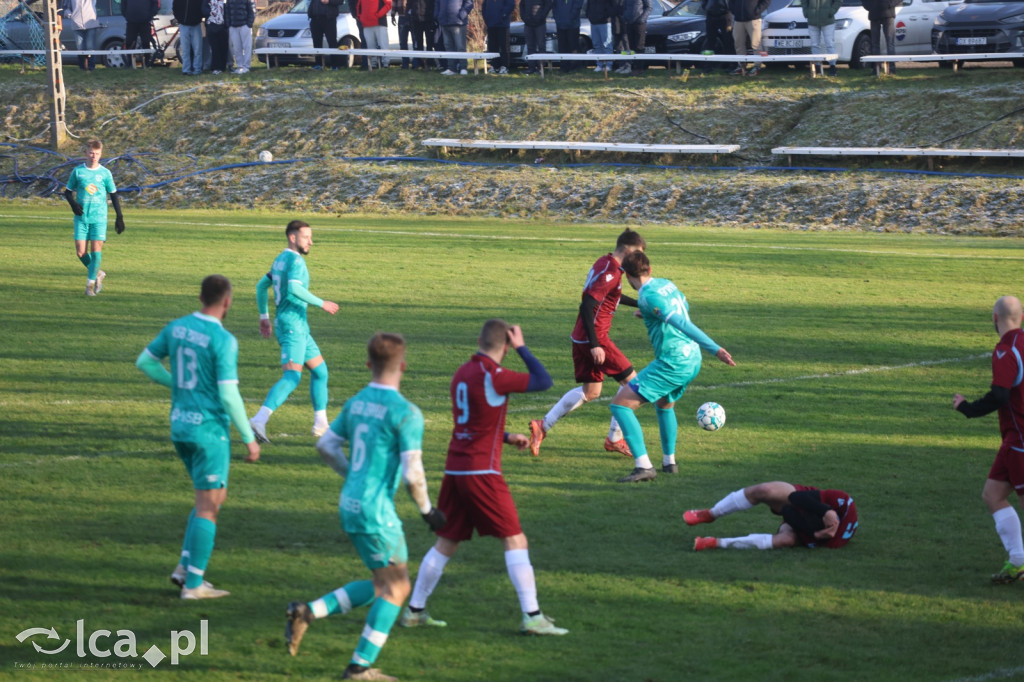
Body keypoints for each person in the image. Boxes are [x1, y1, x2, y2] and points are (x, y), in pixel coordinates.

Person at [284, 333, 446, 681]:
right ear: (403, 366)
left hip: (349, 502)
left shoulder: (356, 402)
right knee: (398, 588)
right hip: (376, 511)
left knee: (380, 583)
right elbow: (413, 475)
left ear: (368, 365)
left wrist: (352, 473)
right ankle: (359, 667)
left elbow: (326, 445)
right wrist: (428, 512)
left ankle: (306, 612)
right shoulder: (406, 413)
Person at [401, 320, 568, 636]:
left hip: (455, 470)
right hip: (482, 473)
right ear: (505, 346)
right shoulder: (495, 376)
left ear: (478, 339)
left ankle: (414, 611)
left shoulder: (461, 373)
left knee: (447, 541)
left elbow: (469, 422)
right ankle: (532, 617)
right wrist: (522, 347)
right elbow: (544, 380)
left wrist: (505, 437)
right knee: (515, 539)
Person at [135, 275, 260, 599]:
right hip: (209, 432)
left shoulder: (176, 327)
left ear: (201, 297)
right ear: (228, 301)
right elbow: (229, 395)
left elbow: (145, 362)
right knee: (208, 505)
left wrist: (176, 384)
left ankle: (184, 568)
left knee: (211, 499)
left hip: (180, 426)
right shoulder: (223, 339)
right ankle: (193, 586)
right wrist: (249, 437)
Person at [610, 251, 735, 483]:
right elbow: (682, 306)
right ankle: (669, 463)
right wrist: (648, 315)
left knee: (621, 406)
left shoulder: (648, 296)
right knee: (665, 405)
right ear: (650, 269)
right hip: (692, 359)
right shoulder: (666, 284)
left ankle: (644, 466)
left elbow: (680, 322)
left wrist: (715, 349)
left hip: (673, 362)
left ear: (627, 276)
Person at [528, 228, 646, 459]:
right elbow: (587, 305)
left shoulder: (606, 263)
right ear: (629, 250)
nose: (639, 260)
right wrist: (595, 344)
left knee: (591, 391)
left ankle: (542, 426)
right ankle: (614, 438)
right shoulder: (611, 272)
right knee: (634, 385)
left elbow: (611, 295)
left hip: (580, 336)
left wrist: (639, 304)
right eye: (638, 254)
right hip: (595, 338)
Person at [249, 220, 340, 449]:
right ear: (292, 237)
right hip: (292, 326)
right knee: (292, 377)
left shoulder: (280, 259)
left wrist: (264, 316)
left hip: (296, 325)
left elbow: (261, 286)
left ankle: (321, 425)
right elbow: (294, 289)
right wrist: (322, 303)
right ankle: (258, 420)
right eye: (306, 236)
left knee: (320, 372)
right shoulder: (296, 261)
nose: (311, 241)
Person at [953, 295, 1024, 583]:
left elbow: (1000, 395)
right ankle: (1018, 561)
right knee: (992, 495)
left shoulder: (1005, 351)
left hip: (1020, 440)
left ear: (994, 318)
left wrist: (967, 408)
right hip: (1011, 440)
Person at [684, 481, 858, 550]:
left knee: (786, 540)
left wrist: (814, 535)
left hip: (806, 528)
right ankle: (710, 513)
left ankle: (715, 543)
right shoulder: (842, 501)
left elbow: (809, 536)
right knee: (763, 490)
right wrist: (826, 511)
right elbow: (795, 497)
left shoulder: (832, 541)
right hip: (807, 500)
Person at [64, 139, 125, 297]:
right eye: (91, 153)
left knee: (96, 250)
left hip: (99, 218)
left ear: (101, 154)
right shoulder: (78, 172)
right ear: (86, 152)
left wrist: (119, 217)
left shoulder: (105, 173)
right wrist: (73, 204)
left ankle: (89, 286)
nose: (94, 156)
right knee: (80, 252)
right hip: (82, 218)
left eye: (97, 154)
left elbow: (113, 194)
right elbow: (67, 192)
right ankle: (97, 273)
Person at [728, 0, 770, 75]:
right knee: (738, 44)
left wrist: (757, 11)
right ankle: (741, 66)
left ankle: (757, 66)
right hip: (738, 20)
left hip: (754, 19)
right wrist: (735, 11)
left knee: (756, 44)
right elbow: (730, 2)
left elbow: (766, 1)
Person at [803, 0, 841, 76]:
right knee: (814, 44)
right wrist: (806, 12)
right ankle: (817, 67)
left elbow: (838, 1)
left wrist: (832, 11)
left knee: (829, 44)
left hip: (828, 20)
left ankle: (832, 67)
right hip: (812, 21)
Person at [435, 0, 473, 74]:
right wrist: (437, 15)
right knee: (448, 46)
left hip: (458, 22)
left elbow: (469, 3)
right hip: (444, 22)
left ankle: (463, 67)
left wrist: (462, 15)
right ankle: (451, 68)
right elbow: (437, 3)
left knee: (460, 46)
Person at [862, 0, 900, 74]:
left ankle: (889, 69)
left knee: (888, 43)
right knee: (880, 43)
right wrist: (869, 6)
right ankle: (878, 69)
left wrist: (890, 4)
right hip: (877, 14)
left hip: (886, 14)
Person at [308, 0, 344, 70]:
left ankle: (334, 65)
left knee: (332, 42)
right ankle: (318, 64)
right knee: (316, 42)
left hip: (329, 19)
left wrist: (329, 1)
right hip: (315, 18)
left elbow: (340, 1)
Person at [63, 0, 99, 70]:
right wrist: (70, 14)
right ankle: (82, 67)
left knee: (90, 46)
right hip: (77, 24)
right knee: (80, 47)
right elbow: (66, 7)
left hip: (91, 23)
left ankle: (91, 67)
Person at [520, 0, 552, 75]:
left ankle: (541, 68)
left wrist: (541, 17)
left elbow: (548, 5)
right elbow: (521, 6)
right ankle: (531, 68)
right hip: (528, 23)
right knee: (530, 46)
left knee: (541, 46)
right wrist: (524, 18)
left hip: (540, 24)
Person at [358, 0, 393, 68]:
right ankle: (373, 64)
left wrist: (379, 14)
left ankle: (386, 63)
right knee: (370, 45)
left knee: (383, 44)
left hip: (380, 22)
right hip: (366, 24)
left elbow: (389, 4)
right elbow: (359, 5)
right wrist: (361, 17)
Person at [483, 0, 515, 74]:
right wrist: (486, 18)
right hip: (491, 24)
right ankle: (494, 65)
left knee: (503, 46)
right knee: (492, 46)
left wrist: (503, 15)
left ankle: (504, 66)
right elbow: (484, 6)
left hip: (503, 25)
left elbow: (510, 5)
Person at [699, 0, 731, 74]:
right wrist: (707, 8)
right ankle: (708, 66)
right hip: (710, 15)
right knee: (710, 42)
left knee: (728, 40)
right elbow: (703, 2)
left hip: (724, 15)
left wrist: (728, 10)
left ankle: (730, 64)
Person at [173, 0, 205, 74]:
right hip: (183, 25)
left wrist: (199, 18)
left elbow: (202, 7)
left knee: (198, 49)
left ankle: (197, 69)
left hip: (196, 25)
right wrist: (179, 18)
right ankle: (186, 69)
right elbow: (175, 7)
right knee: (185, 49)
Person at [553, 0, 584, 73]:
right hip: (560, 25)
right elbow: (554, 7)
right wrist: (557, 18)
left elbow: (577, 6)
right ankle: (564, 67)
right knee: (562, 47)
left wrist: (570, 18)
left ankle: (574, 66)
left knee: (573, 46)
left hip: (573, 25)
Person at [620, 0, 650, 74]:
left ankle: (639, 68)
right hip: (629, 23)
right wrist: (624, 17)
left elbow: (648, 7)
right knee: (631, 46)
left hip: (639, 24)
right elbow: (624, 7)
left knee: (639, 45)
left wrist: (641, 19)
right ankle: (633, 67)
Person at [226, 0, 255, 74]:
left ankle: (246, 66)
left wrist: (249, 24)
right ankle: (240, 66)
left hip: (244, 25)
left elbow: (252, 12)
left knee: (247, 47)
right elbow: (227, 12)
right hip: (233, 26)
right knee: (236, 47)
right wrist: (229, 24)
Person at [586, 0, 614, 72]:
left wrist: (607, 16)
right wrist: (589, 16)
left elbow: (612, 5)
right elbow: (588, 6)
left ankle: (608, 65)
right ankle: (599, 64)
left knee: (606, 44)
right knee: (597, 45)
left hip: (605, 22)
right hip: (593, 23)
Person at [407, 0, 437, 69]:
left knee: (429, 43)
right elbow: (409, 5)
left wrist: (433, 17)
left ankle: (430, 62)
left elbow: (434, 4)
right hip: (416, 20)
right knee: (419, 43)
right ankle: (420, 62)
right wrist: (409, 17)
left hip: (428, 20)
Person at [203, 0, 230, 73]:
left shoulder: (224, 1)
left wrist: (227, 24)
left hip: (223, 26)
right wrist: (211, 12)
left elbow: (228, 10)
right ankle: (215, 68)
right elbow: (203, 10)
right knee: (215, 48)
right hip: (211, 26)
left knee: (224, 47)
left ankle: (223, 67)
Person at [392, 0, 412, 69]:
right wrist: (393, 15)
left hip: (413, 16)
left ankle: (416, 63)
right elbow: (394, 2)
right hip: (402, 17)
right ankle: (405, 63)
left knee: (416, 41)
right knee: (403, 42)